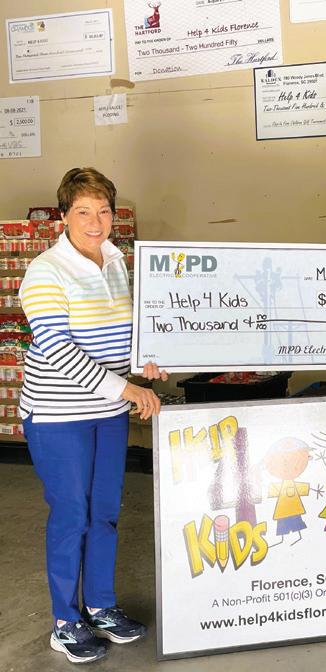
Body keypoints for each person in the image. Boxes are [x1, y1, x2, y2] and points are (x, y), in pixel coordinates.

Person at [19, 167, 168, 663]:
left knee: (104, 512)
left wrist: (144, 362)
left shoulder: (116, 261)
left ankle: (101, 606)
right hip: (58, 414)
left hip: (108, 410)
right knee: (72, 514)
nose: (95, 221)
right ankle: (66, 621)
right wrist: (128, 388)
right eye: (83, 211)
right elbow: (59, 350)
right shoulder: (46, 271)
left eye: (103, 210)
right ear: (64, 216)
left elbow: (123, 335)